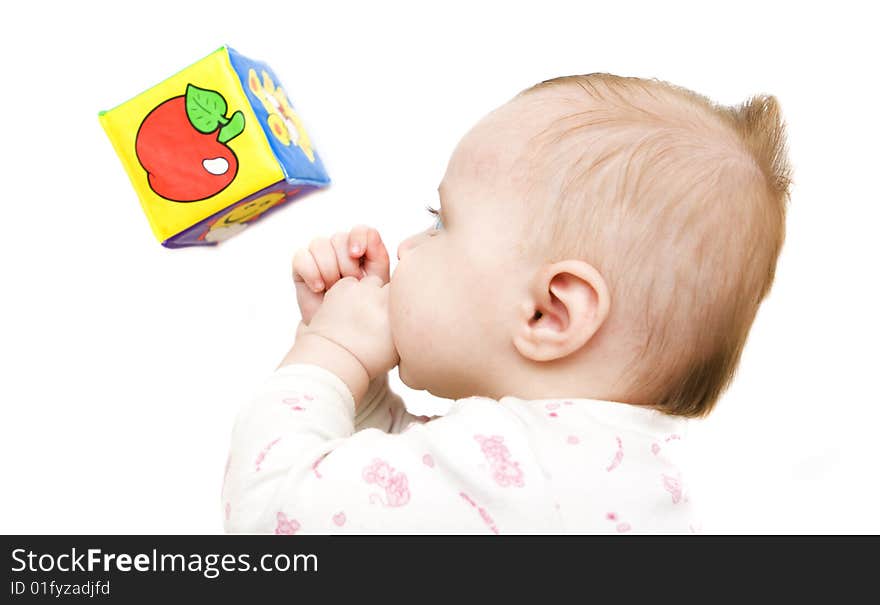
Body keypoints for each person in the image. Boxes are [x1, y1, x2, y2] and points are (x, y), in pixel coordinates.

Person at [222, 73, 792, 533]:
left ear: (549, 314)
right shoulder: (599, 469)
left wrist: (327, 353)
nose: (406, 249)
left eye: (440, 223)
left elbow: (272, 522)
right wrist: (363, 385)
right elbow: (400, 487)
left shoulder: (527, 474)